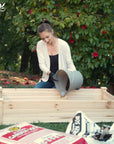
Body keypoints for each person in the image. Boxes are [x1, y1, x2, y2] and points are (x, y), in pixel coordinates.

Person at [34, 19, 76, 88]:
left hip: (61, 81)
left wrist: (72, 77)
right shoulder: (40, 45)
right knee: (36, 91)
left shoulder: (63, 45)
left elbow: (70, 64)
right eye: (43, 39)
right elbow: (42, 64)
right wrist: (49, 73)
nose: (46, 40)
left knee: (54, 94)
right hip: (47, 80)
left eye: (47, 37)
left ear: (52, 32)